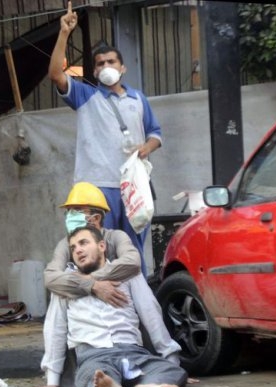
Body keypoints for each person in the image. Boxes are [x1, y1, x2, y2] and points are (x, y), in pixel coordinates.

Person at [48, 1, 163, 277]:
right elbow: (55, 74)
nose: (106, 66)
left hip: (132, 187)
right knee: (96, 252)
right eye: (100, 63)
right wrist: (64, 33)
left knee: (132, 250)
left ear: (123, 68)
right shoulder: (85, 95)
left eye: (111, 62)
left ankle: (136, 300)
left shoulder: (138, 99)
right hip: (95, 189)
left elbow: (156, 134)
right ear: (95, 71)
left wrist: (146, 147)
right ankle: (100, 299)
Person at [31, 226, 187, 387]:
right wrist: (52, 381)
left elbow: (151, 313)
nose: (78, 250)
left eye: (83, 243)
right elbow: (55, 328)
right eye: (73, 248)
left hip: (133, 352)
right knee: (94, 376)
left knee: (174, 371)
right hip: (94, 356)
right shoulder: (65, 284)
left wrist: (170, 357)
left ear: (102, 246)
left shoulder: (127, 274)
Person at [45, 181, 141, 307]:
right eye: (69, 211)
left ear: (96, 218)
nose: (70, 216)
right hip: (81, 305)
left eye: (77, 210)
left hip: (117, 302)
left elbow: (133, 262)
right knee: (58, 290)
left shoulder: (116, 237)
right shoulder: (66, 243)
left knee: (135, 276)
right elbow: (51, 277)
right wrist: (92, 286)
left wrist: (90, 278)